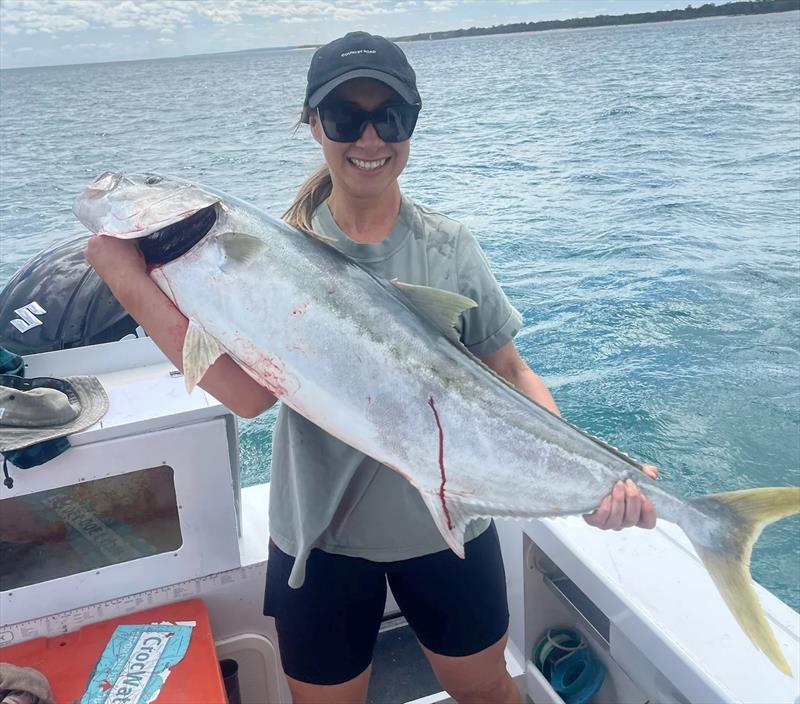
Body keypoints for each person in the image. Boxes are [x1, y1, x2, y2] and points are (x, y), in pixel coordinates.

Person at [86, 31, 658, 704]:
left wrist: (584, 473)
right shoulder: (267, 259)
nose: (369, 138)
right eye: (344, 117)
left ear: (412, 123)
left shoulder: (448, 248)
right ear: (313, 124)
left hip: (447, 527)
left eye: (390, 117)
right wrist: (128, 281)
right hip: (319, 544)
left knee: (488, 694)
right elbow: (247, 398)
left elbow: (509, 368)